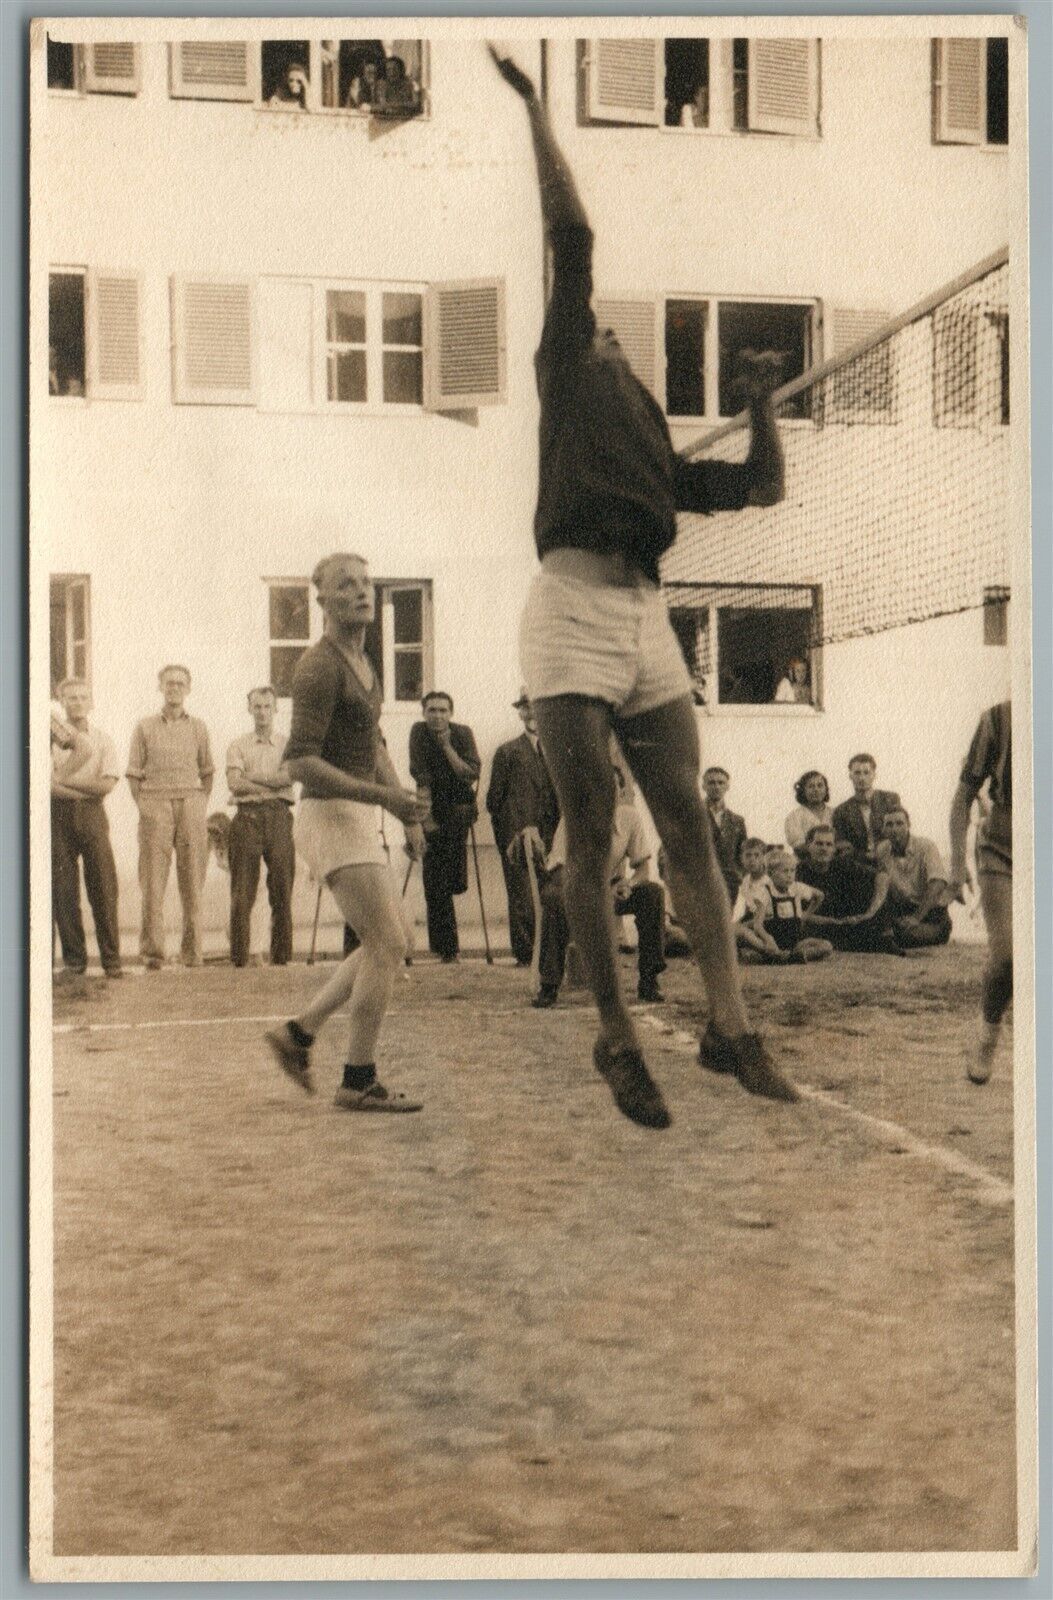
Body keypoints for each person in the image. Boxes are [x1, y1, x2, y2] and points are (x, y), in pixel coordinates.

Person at [490, 46, 797, 1129]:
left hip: (644, 618)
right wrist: (535, 112)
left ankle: (729, 1027)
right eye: (604, 329)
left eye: (623, 337)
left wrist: (762, 401)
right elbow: (569, 236)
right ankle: (615, 1037)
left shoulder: (651, 435)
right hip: (568, 611)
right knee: (586, 825)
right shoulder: (569, 369)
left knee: (689, 832)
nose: (615, 336)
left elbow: (762, 485)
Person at [265, 552, 427, 1111]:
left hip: (352, 813)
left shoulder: (364, 660)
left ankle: (299, 1034)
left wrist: (403, 808)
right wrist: (382, 797)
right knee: (387, 943)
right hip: (327, 815)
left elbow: (373, 744)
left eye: (366, 583)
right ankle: (357, 1080)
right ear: (323, 601)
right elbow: (300, 763)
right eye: (346, 586)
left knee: (390, 938)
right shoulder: (319, 666)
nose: (362, 593)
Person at [534, 763, 666, 1008]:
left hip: (611, 888)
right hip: (575, 889)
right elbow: (561, 870)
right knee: (553, 897)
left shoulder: (630, 818)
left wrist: (629, 883)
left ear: (620, 792)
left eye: (613, 787)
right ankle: (549, 984)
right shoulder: (571, 820)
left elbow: (643, 868)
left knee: (652, 894)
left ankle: (649, 979)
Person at [127, 665, 213, 969]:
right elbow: (134, 774)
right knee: (152, 882)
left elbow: (207, 772)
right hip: (155, 805)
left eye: (180, 684)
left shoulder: (199, 727)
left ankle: (192, 953)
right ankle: (153, 953)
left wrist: (199, 804)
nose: (174, 688)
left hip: (190, 802)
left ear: (188, 689)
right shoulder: (144, 726)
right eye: (169, 683)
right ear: (160, 687)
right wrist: (147, 807)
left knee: (192, 881)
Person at [949, 701, 1012, 1084]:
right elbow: (963, 797)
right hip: (1003, 849)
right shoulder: (998, 719)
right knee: (1007, 958)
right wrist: (957, 864)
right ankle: (987, 1036)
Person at [50, 678, 123, 979]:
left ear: (91, 702)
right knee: (64, 890)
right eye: (71, 698)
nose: (77, 703)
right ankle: (75, 962)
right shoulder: (49, 738)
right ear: (61, 701)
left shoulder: (103, 739)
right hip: (58, 818)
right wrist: (80, 789)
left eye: (83, 698)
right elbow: (46, 791)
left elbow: (106, 784)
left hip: (93, 816)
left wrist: (64, 783)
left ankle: (112, 962)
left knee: (104, 887)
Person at [486, 688, 560, 966]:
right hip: (518, 835)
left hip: (551, 834)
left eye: (537, 707)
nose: (532, 714)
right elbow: (494, 799)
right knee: (522, 896)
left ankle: (550, 953)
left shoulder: (555, 750)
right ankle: (526, 954)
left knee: (550, 894)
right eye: (526, 708)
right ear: (520, 713)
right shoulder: (507, 752)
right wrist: (509, 833)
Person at [225, 687, 296, 968]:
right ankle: (239, 960)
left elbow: (288, 779)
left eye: (268, 706)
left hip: (279, 817)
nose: (262, 712)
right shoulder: (238, 745)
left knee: (282, 890)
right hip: (247, 819)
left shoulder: (287, 745)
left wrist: (252, 777)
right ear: (249, 709)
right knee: (242, 893)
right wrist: (271, 780)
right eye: (257, 706)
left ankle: (281, 959)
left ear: (276, 709)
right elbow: (235, 783)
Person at [408, 692, 481, 963]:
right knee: (434, 879)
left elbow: (470, 774)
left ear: (451, 713)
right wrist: (424, 821)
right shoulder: (418, 733)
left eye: (442, 711)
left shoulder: (463, 734)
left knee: (452, 881)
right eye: (431, 710)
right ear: (423, 712)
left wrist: (448, 746)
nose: (436, 716)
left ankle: (447, 946)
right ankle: (446, 948)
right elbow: (420, 774)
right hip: (433, 808)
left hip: (459, 810)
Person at [796, 824, 900, 954]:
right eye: (819, 844)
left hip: (846, 921)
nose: (824, 849)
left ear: (834, 848)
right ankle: (873, 941)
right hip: (820, 924)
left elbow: (882, 875)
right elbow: (799, 914)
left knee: (872, 891)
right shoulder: (798, 872)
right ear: (808, 846)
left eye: (829, 844)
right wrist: (834, 922)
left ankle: (875, 938)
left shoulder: (842, 864)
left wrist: (870, 912)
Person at [874, 807, 952, 950]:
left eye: (899, 823)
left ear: (908, 825)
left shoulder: (926, 846)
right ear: (884, 828)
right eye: (889, 825)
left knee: (905, 936)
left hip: (931, 915)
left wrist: (916, 917)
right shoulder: (882, 850)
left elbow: (938, 883)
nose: (894, 829)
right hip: (902, 913)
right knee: (877, 932)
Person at [746, 848, 833, 964]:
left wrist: (805, 915)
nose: (790, 875)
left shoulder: (796, 887)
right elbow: (757, 926)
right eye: (785, 871)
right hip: (773, 942)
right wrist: (768, 939)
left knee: (826, 945)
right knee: (752, 945)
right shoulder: (763, 892)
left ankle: (798, 956)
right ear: (771, 873)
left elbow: (819, 896)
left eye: (792, 871)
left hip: (795, 943)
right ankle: (778, 955)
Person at [832, 753, 902, 861]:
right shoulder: (842, 810)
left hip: (890, 858)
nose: (861, 778)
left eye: (866, 772)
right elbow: (843, 845)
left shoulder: (890, 799)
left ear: (874, 775)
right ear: (850, 776)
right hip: (859, 864)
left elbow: (899, 831)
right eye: (857, 773)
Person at [702, 766, 748, 900]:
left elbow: (743, 853)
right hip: (699, 882)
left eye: (720, 782)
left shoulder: (737, 821)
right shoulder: (692, 816)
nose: (716, 786)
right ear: (703, 786)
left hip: (729, 884)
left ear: (727, 786)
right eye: (711, 782)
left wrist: (739, 875)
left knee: (725, 920)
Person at [784, 770, 834, 856]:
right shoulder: (794, 817)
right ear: (803, 791)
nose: (816, 789)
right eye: (811, 786)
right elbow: (798, 846)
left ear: (826, 789)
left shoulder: (835, 813)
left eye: (820, 785)